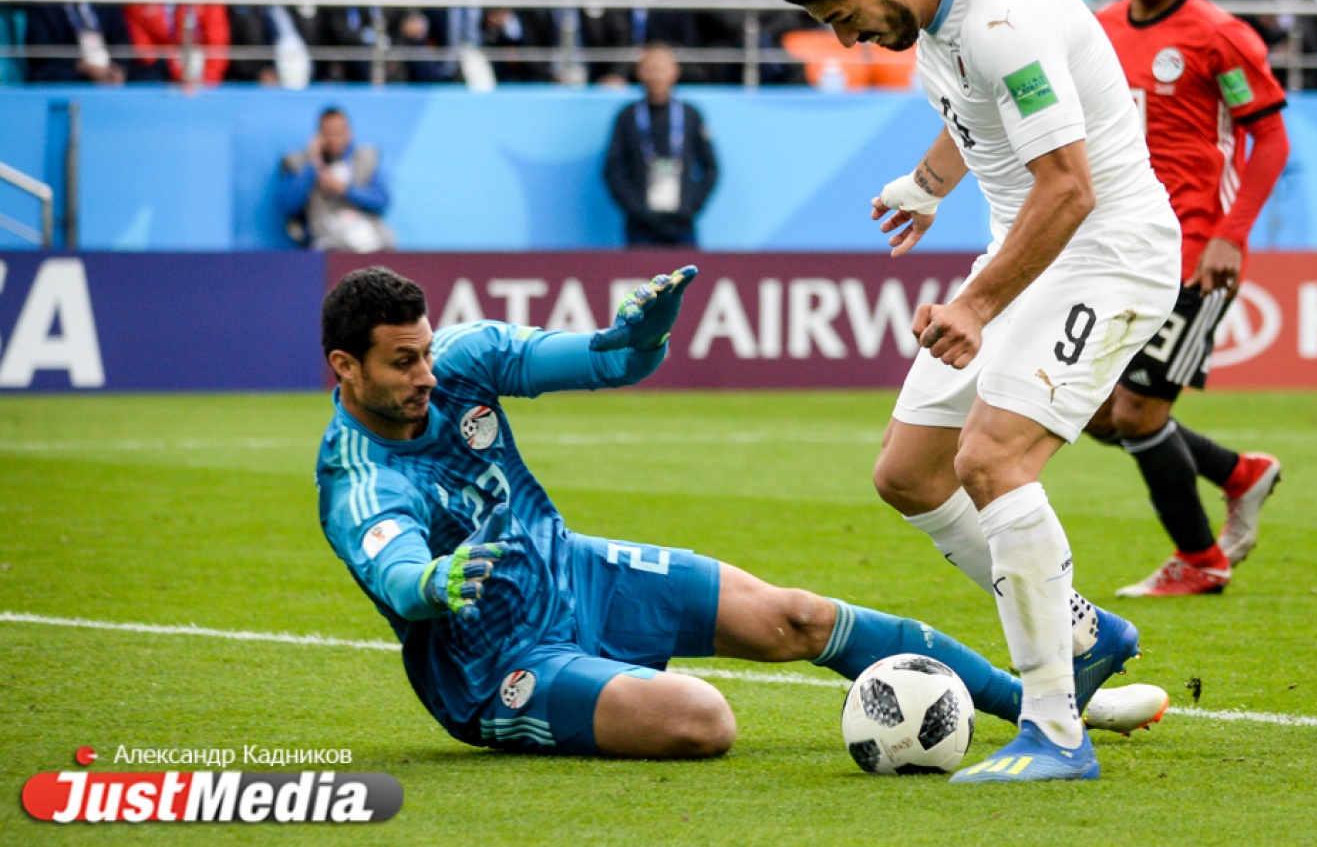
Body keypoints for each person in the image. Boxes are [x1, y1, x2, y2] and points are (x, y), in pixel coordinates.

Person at [314, 265, 1167, 760]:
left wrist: (642, 334)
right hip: (497, 665)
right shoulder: (357, 476)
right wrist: (434, 579)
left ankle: (1047, 705)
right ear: (345, 366)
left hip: (575, 571)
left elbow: (607, 359)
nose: (426, 375)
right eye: (402, 363)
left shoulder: (463, 360)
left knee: (801, 616)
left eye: (424, 351)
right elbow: (398, 569)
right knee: (703, 719)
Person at [774, 0, 1180, 783]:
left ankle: (1056, 733)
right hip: (1034, 245)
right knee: (909, 472)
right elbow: (978, 109)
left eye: (844, 17)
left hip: (1106, 251)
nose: (845, 39)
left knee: (992, 460)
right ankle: (1082, 632)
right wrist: (927, 184)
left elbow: (1069, 186)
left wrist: (976, 305)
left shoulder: (1002, 20)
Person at [1091, 0, 1288, 597]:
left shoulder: (1219, 36)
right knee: (1093, 410)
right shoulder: (1097, 31)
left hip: (1195, 254)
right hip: (1119, 251)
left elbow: (1270, 138)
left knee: (1137, 411)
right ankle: (1239, 473)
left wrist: (1230, 237)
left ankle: (1199, 558)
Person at [603, 44, 718, 247]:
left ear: (675, 71)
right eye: (650, 69)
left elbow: (710, 167)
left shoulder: (690, 115)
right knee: (641, 268)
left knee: (686, 268)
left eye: (661, 69)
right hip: (640, 226)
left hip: (682, 223)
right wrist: (637, 209)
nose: (656, 76)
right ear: (639, 72)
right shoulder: (628, 116)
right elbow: (613, 170)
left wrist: (691, 205)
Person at [278, 107, 396, 251]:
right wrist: (313, 165)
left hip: (369, 238)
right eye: (328, 134)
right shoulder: (299, 162)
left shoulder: (366, 158)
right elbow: (288, 205)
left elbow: (382, 200)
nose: (333, 140)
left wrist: (344, 189)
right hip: (326, 239)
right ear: (318, 136)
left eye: (338, 133)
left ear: (349, 133)